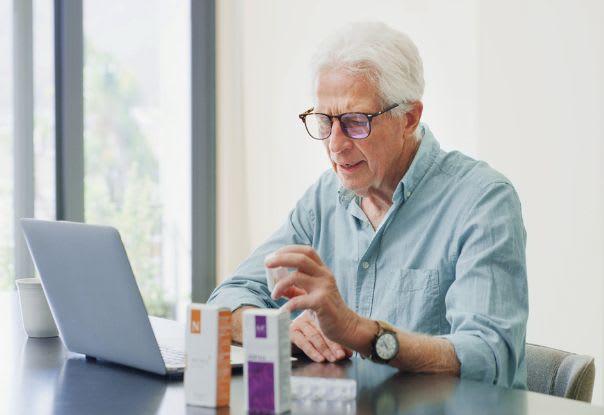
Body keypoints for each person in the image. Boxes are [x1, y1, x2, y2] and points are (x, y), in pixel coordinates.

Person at [208, 21, 528, 389]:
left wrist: (357, 331)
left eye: (356, 122)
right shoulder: (324, 199)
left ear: (409, 118)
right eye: (325, 121)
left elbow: (488, 357)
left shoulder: (482, 200)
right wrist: (275, 328)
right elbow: (226, 301)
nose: (335, 145)